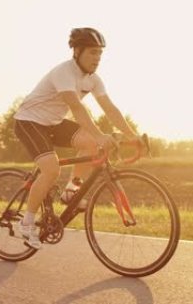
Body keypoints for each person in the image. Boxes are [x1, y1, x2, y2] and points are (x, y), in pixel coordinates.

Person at [13, 27, 141, 249]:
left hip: (53, 123)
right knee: (52, 169)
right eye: (92, 52)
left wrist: (133, 136)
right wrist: (101, 135)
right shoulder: (64, 73)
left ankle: (71, 190)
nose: (97, 58)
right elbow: (76, 107)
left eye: (100, 53)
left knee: (91, 144)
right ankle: (27, 221)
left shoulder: (93, 80)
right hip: (29, 121)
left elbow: (110, 109)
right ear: (77, 51)